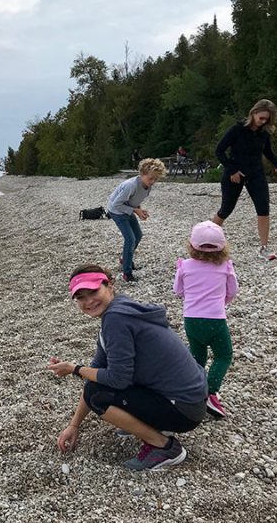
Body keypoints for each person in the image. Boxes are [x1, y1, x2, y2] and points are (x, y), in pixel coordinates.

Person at [49, 265, 208, 471]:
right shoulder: (120, 310)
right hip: (191, 400)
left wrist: (75, 368)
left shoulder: (116, 319)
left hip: (184, 409)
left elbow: (117, 379)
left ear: (110, 286)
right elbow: (95, 372)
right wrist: (74, 425)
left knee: (99, 396)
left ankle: (165, 448)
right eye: (80, 297)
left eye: (94, 291)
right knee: (95, 388)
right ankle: (144, 423)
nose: (89, 301)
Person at [174, 221, 239, 418]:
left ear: (192, 245)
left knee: (197, 355)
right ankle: (210, 392)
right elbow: (232, 291)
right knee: (223, 355)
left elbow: (178, 291)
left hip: (191, 319)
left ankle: (192, 390)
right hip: (215, 320)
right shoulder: (225, 266)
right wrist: (222, 302)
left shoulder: (184, 266)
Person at [213, 99, 277, 260]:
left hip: (256, 174)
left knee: (263, 208)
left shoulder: (264, 133)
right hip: (234, 174)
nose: (263, 122)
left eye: (267, 120)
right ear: (254, 113)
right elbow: (219, 151)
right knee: (226, 209)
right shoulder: (237, 129)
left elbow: (268, 152)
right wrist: (232, 170)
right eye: (261, 118)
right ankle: (206, 240)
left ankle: (264, 248)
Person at [106, 158, 167, 282]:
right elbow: (117, 204)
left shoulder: (147, 186)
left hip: (127, 208)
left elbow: (134, 201)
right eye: (151, 178)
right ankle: (127, 273)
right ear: (142, 174)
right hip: (117, 211)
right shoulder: (130, 185)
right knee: (130, 239)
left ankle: (125, 258)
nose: (153, 181)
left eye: (156, 179)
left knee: (138, 235)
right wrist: (136, 210)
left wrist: (139, 209)